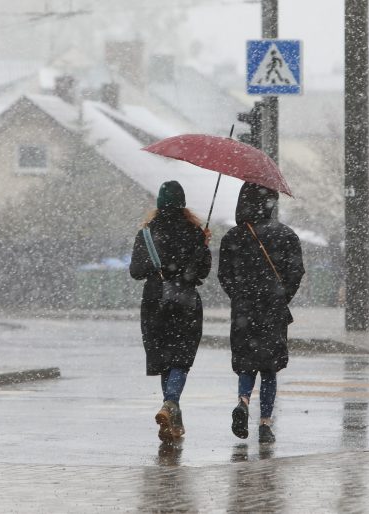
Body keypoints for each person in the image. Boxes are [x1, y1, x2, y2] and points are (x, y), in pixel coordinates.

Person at [218, 182, 305, 444]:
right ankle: (265, 424)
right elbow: (296, 272)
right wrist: (281, 296)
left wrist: (241, 296)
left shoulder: (233, 237)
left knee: (246, 361)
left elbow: (224, 275)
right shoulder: (286, 235)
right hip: (273, 310)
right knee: (269, 367)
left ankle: (243, 401)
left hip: (244, 310)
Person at [129, 180, 212, 443]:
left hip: (155, 299)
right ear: (182, 202)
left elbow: (135, 272)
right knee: (181, 356)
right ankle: (171, 404)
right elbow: (203, 272)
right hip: (186, 299)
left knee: (164, 356)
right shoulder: (195, 232)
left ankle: (172, 413)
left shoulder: (146, 233)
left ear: (160, 203)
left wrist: (157, 265)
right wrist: (202, 246)